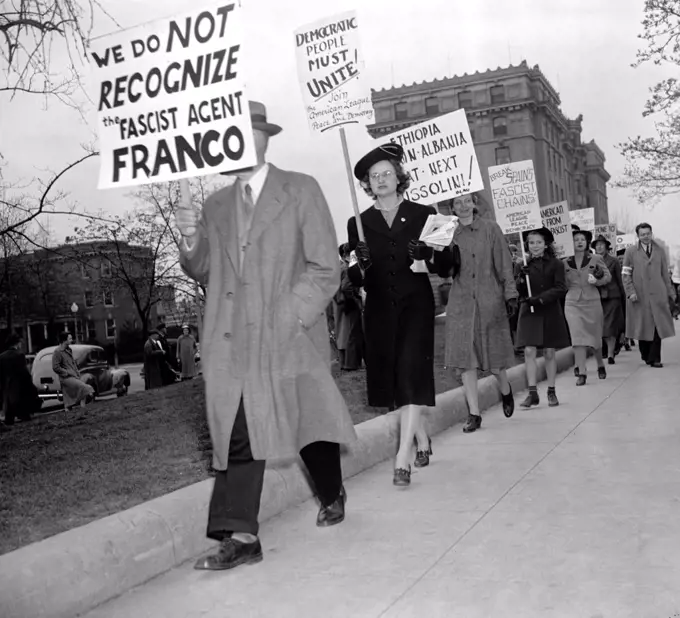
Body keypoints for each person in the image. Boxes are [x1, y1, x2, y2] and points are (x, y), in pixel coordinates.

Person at [176, 101, 356, 571]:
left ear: (264, 137)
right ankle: (240, 536)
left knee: (306, 421)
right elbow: (204, 268)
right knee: (239, 429)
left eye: (245, 131)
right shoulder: (215, 205)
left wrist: (291, 315)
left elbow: (324, 266)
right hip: (234, 340)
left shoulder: (300, 189)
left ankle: (331, 491)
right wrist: (190, 238)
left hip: (288, 332)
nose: (236, 140)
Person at [347, 143, 454, 486]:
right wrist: (358, 263)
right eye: (372, 176)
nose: (379, 180)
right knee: (397, 380)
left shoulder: (425, 213)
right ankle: (421, 439)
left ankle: (402, 458)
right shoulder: (358, 223)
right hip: (379, 311)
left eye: (386, 174)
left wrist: (426, 254)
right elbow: (356, 279)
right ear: (367, 183)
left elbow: (449, 263)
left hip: (415, 307)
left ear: (399, 178)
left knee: (411, 373)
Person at [440, 192, 518, 434]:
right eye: (457, 202)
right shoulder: (447, 233)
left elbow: (504, 263)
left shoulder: (491, 229)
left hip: (489, 300)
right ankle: (474, 413)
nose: (463, 206)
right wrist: (436, 251)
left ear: (474, 203)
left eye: (467, 200)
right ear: (451, 207)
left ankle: (505, 390)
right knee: (466, 361)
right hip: (460, 304)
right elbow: (442, 270)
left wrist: (510, 294)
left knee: (495, 361)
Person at [514, 228, 569, 408]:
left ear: (546, 244)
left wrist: (540, 299)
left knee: (549, 352)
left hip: (548, 310)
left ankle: (551, 391)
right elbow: (517, 290)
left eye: (538, 242)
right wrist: (521, 278)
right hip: (528, 311)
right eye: (531, 243)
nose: (535, 246)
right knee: (529, 351)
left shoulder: (556, 264)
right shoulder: (522, 265)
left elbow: (561, 288)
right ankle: (532, 393)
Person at [622, 222, 676, 368]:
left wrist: (670, 293)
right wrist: (630, 292)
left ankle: (655, 358)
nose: (646, 237)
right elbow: (626, 274)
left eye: (648, 233)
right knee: (643, 327)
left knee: (657, 326)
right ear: (638, 236)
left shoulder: (660, 251)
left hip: (658, 294)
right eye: (642, 234)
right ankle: (646, 354)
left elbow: (665, 273)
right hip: (639, 296)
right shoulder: (631, 252)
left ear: (651, 233)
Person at [563, 229, 611, 385]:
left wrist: (596, 281)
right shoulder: (564, 262)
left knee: (595, 336)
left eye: (582, 239)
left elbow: (607, 276)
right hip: (572, 303)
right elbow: (561, 283)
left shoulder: (595, 258)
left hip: (592, 301)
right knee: (577, 338)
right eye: (576, 239)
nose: (579, 242)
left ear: (587, 241)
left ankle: (600, 364)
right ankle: (582, 372)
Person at [592, 234, 626, 364]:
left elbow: (619, 279)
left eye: (602, 245)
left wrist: (623, 296)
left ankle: (611, 354)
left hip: (612, 297)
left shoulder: (614, 261)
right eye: (597, 245)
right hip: (597, 297)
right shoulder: (591, 261)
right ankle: (606, 349)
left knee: (610, 325)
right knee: (601, 326)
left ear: (607, 247)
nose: (599, 247)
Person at [333, 244, 364, 371]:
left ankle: (344, 361)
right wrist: (356, 295)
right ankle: (350, 363)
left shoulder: (339, 267)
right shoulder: (346, 268)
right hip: (348, 302)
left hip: (339, 301)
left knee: (342, 332)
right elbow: (346, 286)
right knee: (351, 332)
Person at [0, 334, 40, 427]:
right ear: (17, 344)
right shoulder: (19, 355)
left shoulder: (1, 357)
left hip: (6, 387)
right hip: (19, 386)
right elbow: (24, 373)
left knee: (9, 413)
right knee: (23, 410)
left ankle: (9, 422)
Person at [52, 332, 94, 410]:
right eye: (70, 338)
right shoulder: (57, 352)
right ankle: (81, 409)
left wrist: (77, 372)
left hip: (74, 376)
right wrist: (66, 372)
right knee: (84, 387)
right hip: (66, 378)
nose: (72, 340)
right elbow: (55, 367)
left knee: (70, 397)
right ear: (64, 340)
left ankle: (82, 409)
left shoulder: (69, 350)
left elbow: (73, 363)